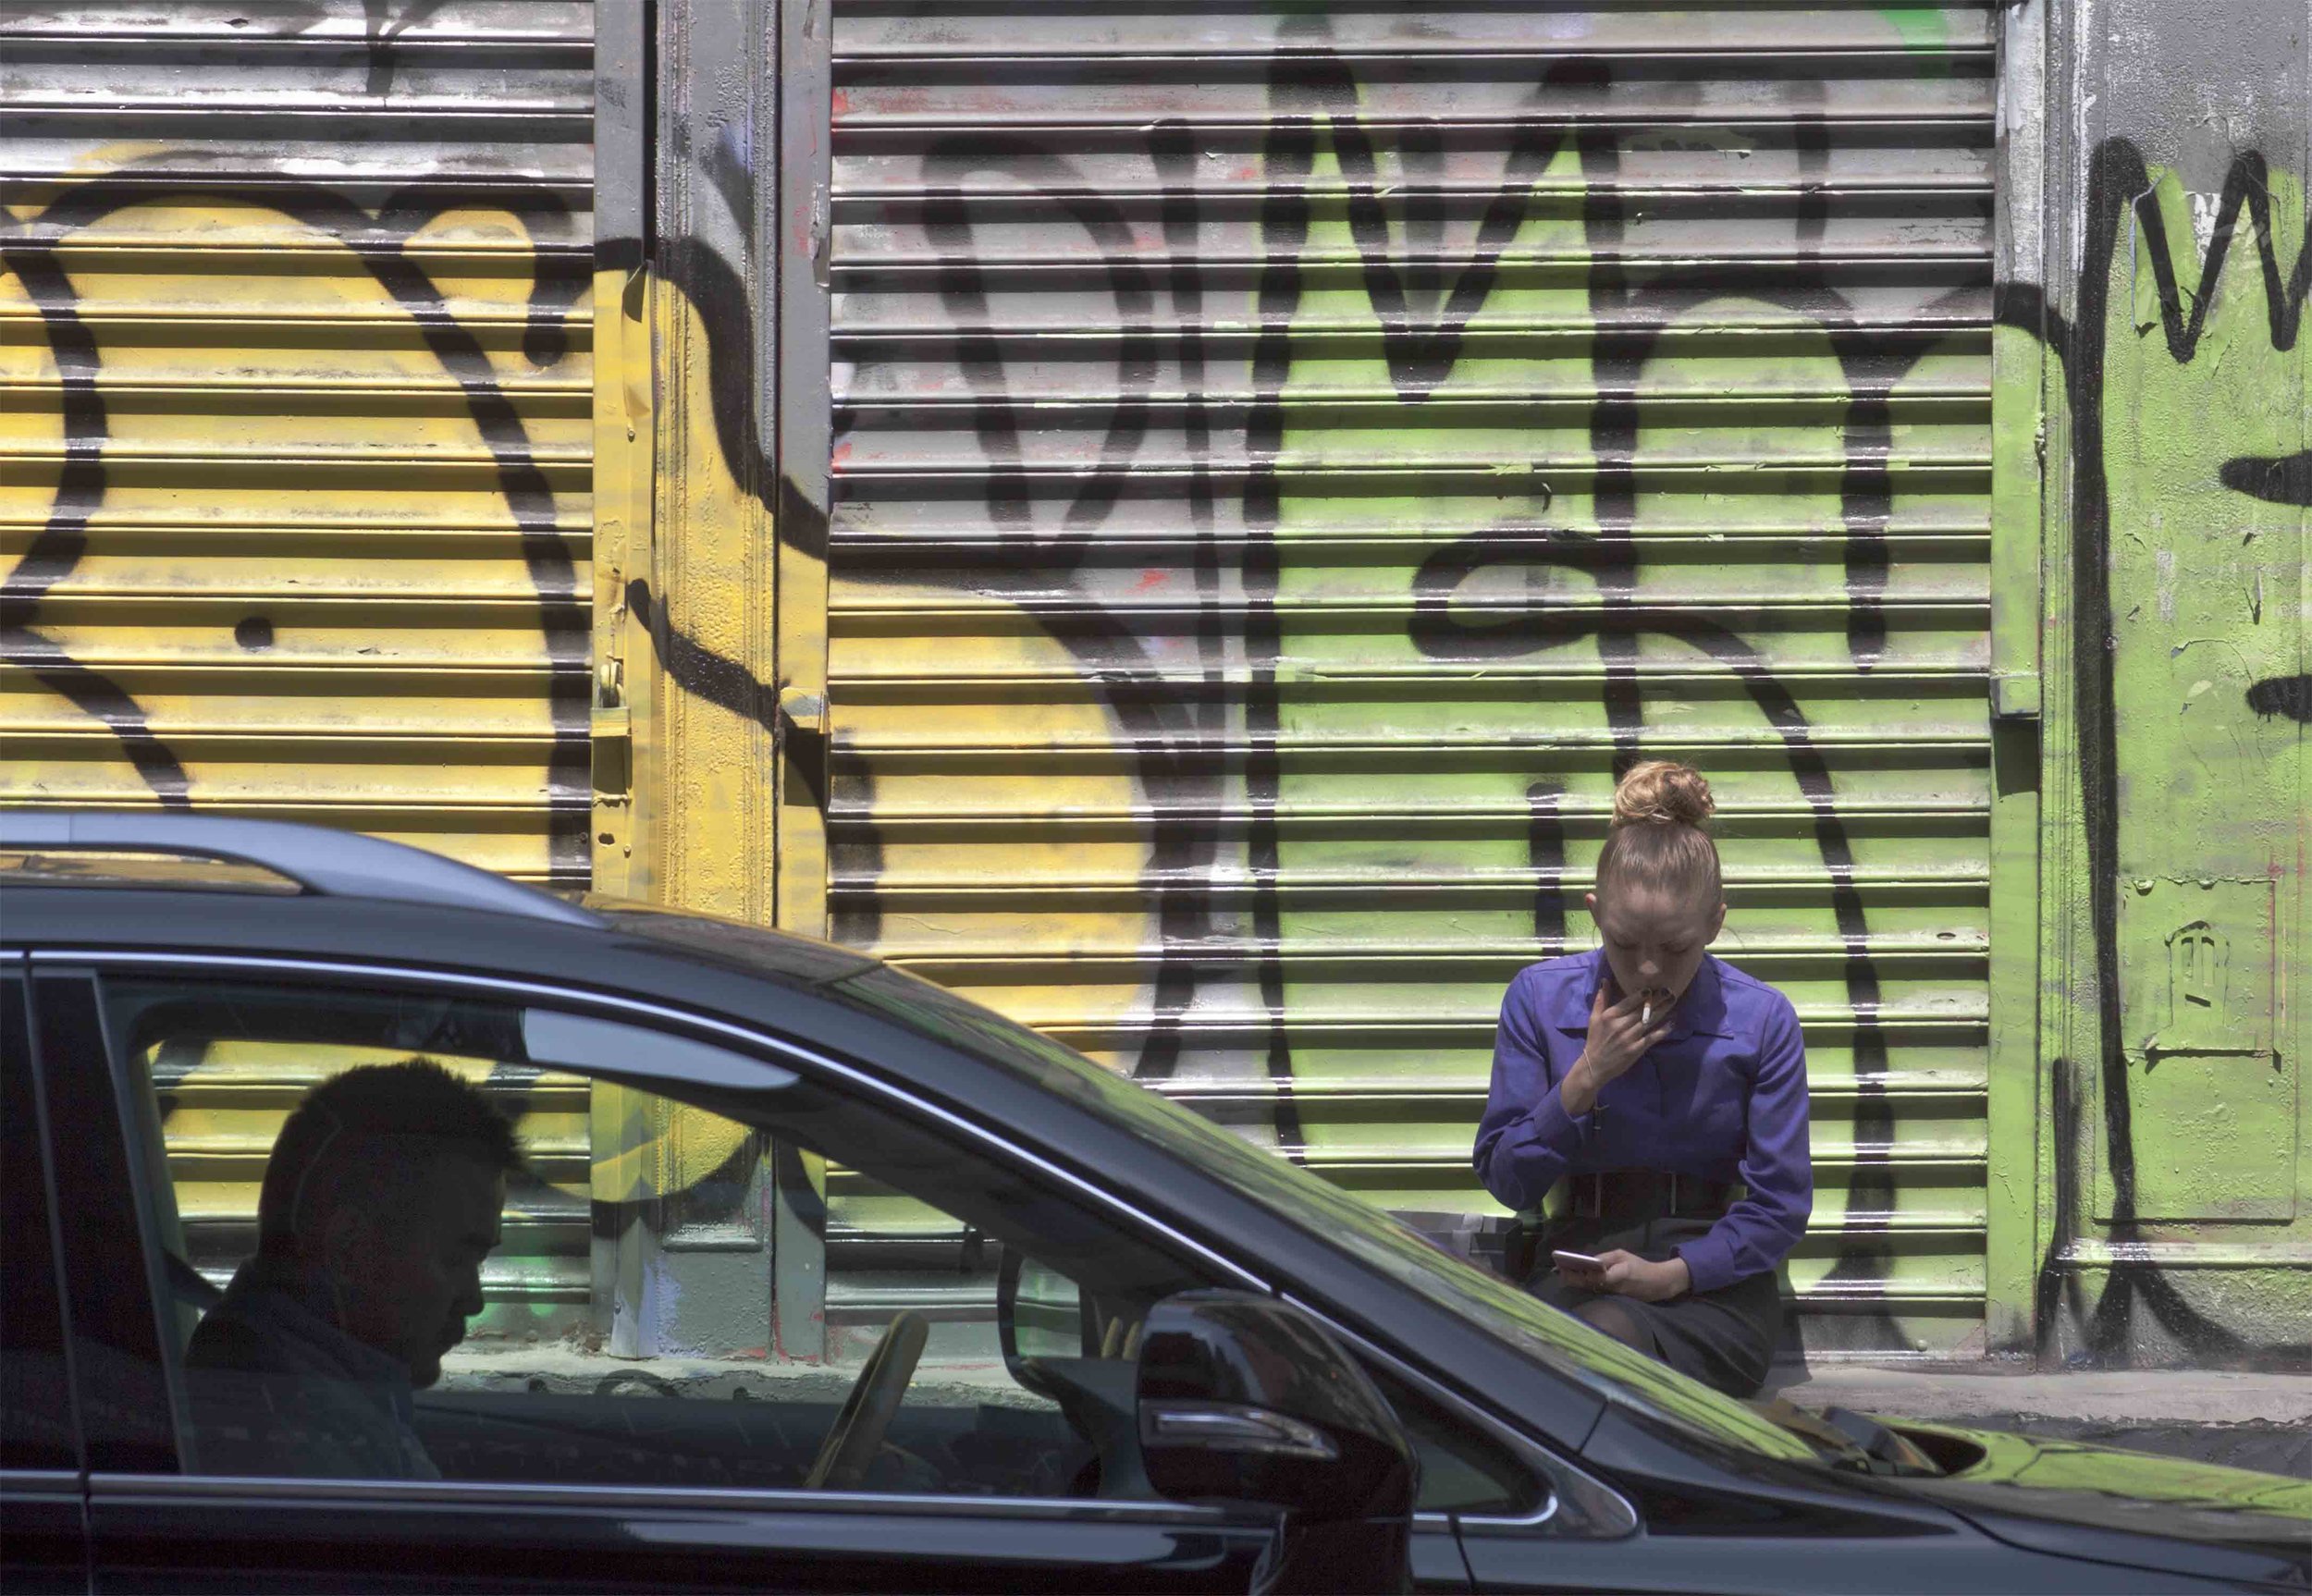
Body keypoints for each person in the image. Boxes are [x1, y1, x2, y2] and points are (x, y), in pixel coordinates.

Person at [1472, 761, 1811, 1397]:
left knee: (1603, 1343)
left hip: (1713, 1290)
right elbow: (1503, 1177)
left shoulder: (1762, 1019)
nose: (1649, 970)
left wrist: (1673, 1275)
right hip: (1580, 1269)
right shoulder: (1540, 1001)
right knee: (1588, 1335)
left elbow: (1780, 1205)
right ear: (1596, 913)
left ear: (1715, 922)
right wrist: (1583, 1080)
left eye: (1677, 948)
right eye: (1625, 944)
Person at [185, 1057, 520, 1479]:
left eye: (480, 1261)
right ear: (351, 1248)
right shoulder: (295, 1439)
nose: (474, 1300)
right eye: (457, 1258)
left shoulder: (309, 1392)